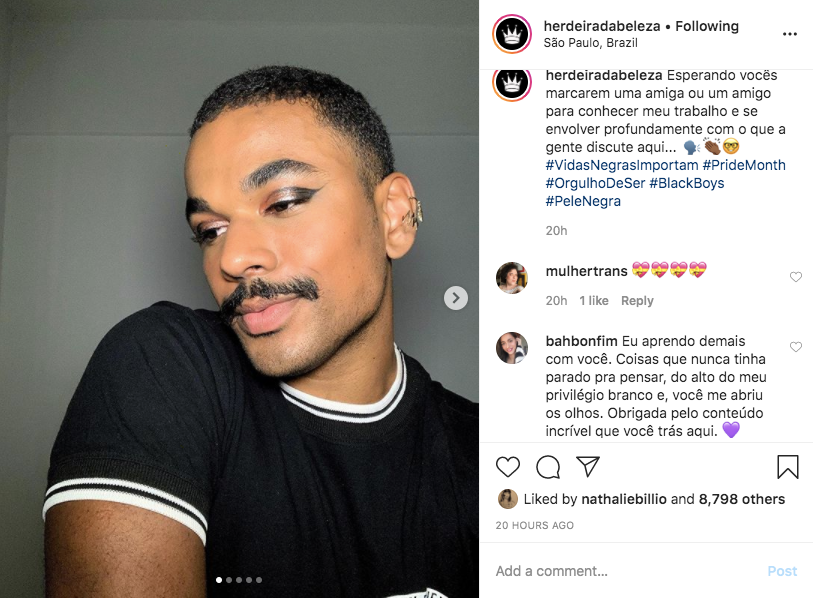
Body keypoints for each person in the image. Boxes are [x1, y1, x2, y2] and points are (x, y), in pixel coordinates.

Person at [43, 66, 477, 598]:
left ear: (394, 216)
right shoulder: (162, 366)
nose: (232, 258)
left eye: (284, 202)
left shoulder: (492, 456)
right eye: (210, 230)